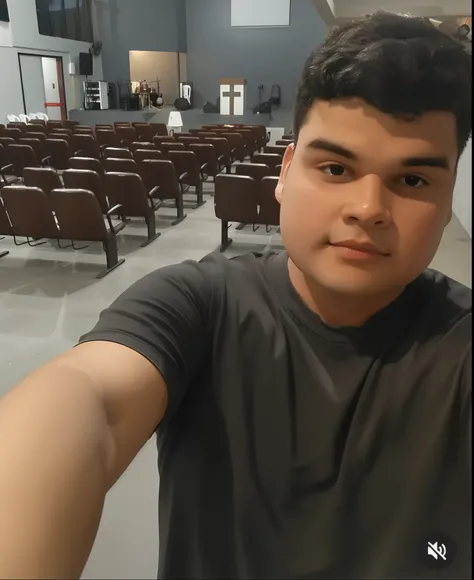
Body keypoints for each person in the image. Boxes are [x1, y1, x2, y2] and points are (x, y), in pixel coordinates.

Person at [0, 11, 471, 580]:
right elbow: (86, 399)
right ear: (286, 170)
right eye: (335, 167)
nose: (368, 208)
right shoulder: (196, 303)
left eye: (413, 180)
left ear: (448, 203)